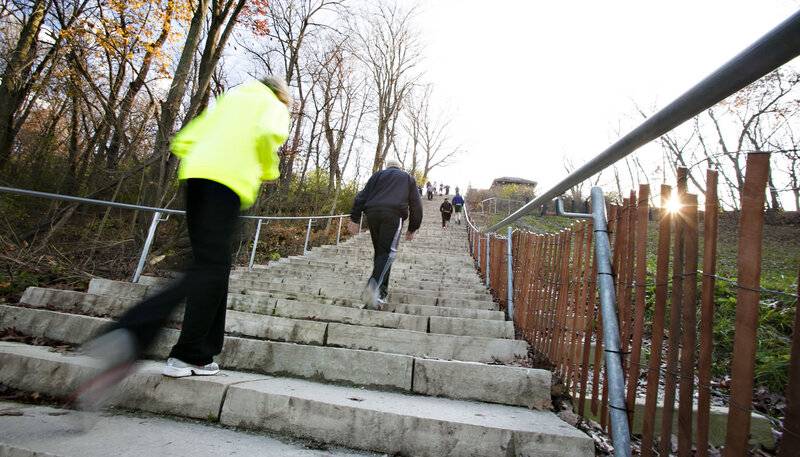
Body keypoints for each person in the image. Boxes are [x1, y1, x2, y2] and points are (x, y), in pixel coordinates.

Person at [73, 76, 292, 409]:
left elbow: (184, 139)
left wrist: (204, 160)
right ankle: (133, 330)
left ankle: (198, 354)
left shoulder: (231, 97)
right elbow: (266, 135)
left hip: (195, 176)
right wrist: (268, 168)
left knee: (213, 268)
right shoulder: (273, 104)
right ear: (281, 94)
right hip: (229, 183)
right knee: (208, 267)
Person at [348, 159, 422, 309]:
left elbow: (361, 196)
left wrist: (355, 219)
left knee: (381, 253)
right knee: (388, 253)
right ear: (399, 167)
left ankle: (381, 294)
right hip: (393, 215)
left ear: (387, 167)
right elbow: (416, 204)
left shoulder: (377, 175)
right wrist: (413, 228)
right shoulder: (407, 178)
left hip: (373, 214)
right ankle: (373, 286)